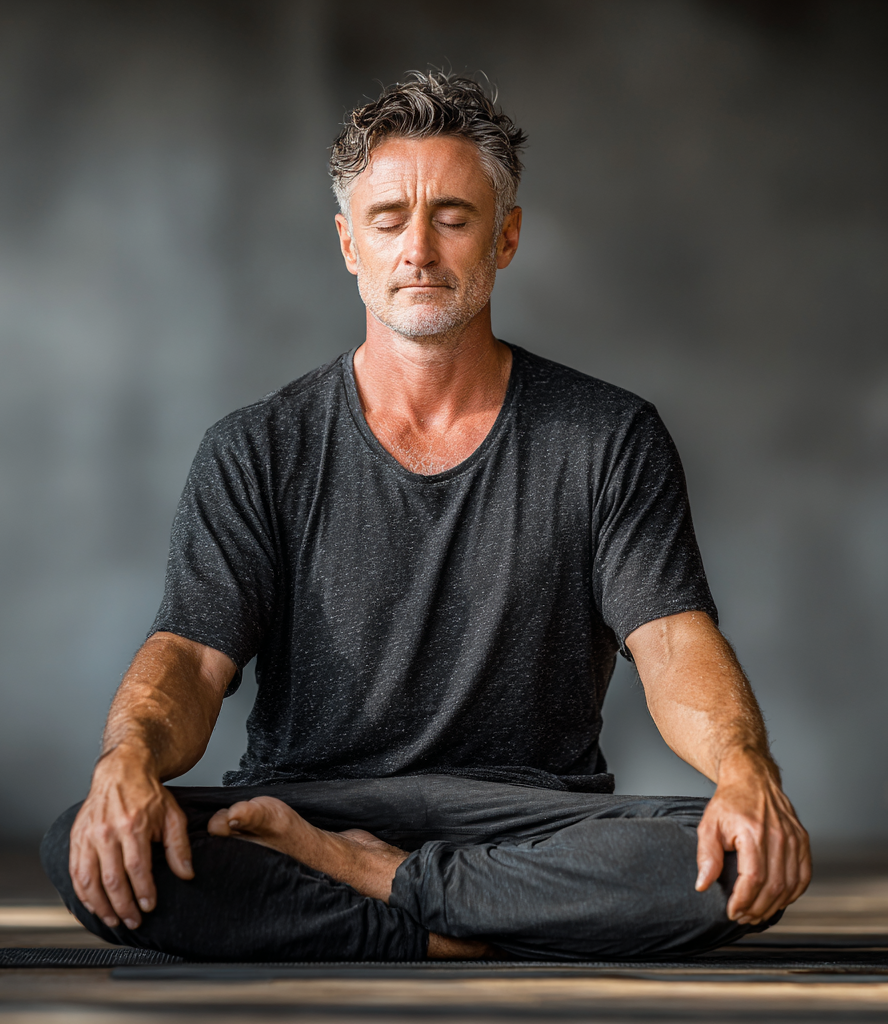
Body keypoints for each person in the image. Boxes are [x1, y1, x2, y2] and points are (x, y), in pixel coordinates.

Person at [41, 71, 810, 962]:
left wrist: (745, 770)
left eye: (452, 216)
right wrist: (125, 762)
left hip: (525, 819)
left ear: (506, 236)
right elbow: (188, 656)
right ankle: (470, 921)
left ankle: (375, 887)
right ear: (347, 245)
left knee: (722, 862)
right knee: (88, 843)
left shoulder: (607, 437)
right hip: (306, 805)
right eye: (387, 219)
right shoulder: (255, 448)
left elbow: (674, 644)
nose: (418, 249)